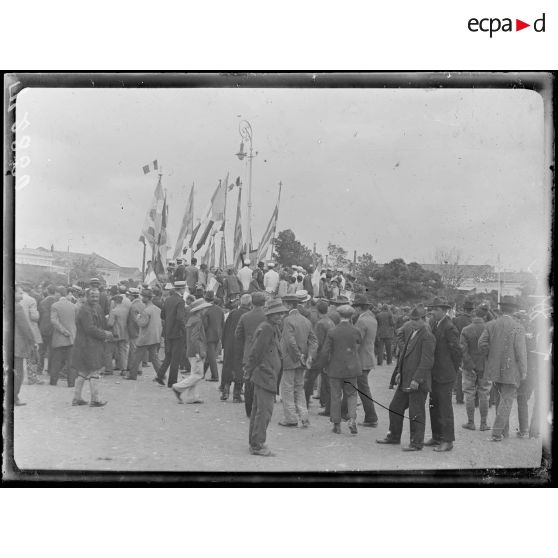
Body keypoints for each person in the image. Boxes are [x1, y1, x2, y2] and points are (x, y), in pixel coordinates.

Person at [376, 305, 435, 450]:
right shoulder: (412, 332)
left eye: (416, 319)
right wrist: (399, 372)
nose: (413, 322)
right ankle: (394, 436)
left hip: (416, 382)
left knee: (416, 413)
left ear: (424, 319)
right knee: (395, 407)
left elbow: (427, 361)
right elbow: (404, 356)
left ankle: (416, 443)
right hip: (405, 379)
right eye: (412, 319)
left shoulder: (427, 336)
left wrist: (417, 379)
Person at [479, 296, 527, 442]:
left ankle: (504, 432)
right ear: (514, 310)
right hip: (511, 370)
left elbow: (481, 344)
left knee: (500, 400)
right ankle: (497, 433)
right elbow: (520, 352)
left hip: (494, 370)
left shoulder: (491, 324)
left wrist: (491, 356)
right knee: (506, 402)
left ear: (501, 309)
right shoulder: (518, 326)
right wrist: (523, 370)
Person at [245, 298, 288, 456]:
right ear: (270, 314)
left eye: (281, 313)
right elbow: (256, 352)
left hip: (266, 374)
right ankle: (257, 445)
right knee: (264, 412)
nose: (280, 316)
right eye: (277, 314)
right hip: (265, 375)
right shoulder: (268, 328)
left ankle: (254, 442)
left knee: (259, 411)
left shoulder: (271, 327)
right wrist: (249, 370)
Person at [425, 297, 462, 452]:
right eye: (432, 309)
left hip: (445, 374)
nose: (432, 312)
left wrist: (453, 369)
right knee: (434, 406)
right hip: (435, 373)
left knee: (445, 408)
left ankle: (447, 440)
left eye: (436, 310)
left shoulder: (449, 327)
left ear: (444, 311)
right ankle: (437, 436)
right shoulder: (435, 324)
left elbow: (457, 351)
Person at [278, 295, 317, 427]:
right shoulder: (306, 320)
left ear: (288, 305)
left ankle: (290, 418)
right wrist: (309, 356)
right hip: (303, 360)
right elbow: (313, 340)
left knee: (287, 388)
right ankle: (304, 416)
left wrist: (298, 355)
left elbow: (290, 340)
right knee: (299, 388)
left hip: (290, 359)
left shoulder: (287, 320)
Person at [322, 304, 362, 435]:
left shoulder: (332, 331)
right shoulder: (355, 331)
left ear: (339, 315)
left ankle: (336, 424)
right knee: (351, 395)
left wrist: (325, 365)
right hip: (351, 369)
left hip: (335, 369)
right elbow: (358, 345)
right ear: (351, 316)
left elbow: (325, 351)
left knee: (335, 395)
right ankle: (352, 419)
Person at [71, 288, 114, 407]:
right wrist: (105, 334)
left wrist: (105, 331)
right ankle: (95, 399)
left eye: (97, 296)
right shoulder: (84, 310)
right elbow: (89, 328)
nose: (95, 299)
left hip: (93, 343)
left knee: (84, 371)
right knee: (94, 370)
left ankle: (77, 398)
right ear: (86, 296)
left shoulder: (98, 307)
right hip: (87, 345)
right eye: (92, 296)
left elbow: (100, 325)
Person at [172, 298, 212, 403]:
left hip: (191, 350)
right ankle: (178, 387)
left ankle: (192, 397)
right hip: (196, 351)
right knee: (198, 375)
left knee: (194, 374)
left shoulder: (191, 319)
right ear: (200, 310)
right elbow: (195, 338)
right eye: (204, 309)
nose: (206, 310)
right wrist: (200, 352)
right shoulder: (198, 320)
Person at [235, 292, 267, 417]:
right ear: (264, 303)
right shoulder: (267, 316)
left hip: (248, 352)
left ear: (251, 303)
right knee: (263, 381)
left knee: (249, 382)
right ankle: (261, 407)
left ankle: (249, 409)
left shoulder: (245, 316)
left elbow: (237, 335)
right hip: (265, 353)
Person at [460, 308, 491, 431]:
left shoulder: (466, 330)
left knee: (469, 394)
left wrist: (469, 365)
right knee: (484, 393)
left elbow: (463, 349)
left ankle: (471, 422)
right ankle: (483, 424)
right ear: (485, 316)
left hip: (470, 366)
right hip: (485, 366)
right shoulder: (489, 328)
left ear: (474, 315)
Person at [353, 293, 380, 427]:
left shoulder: (361, 321)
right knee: (358, 387)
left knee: (362, 389)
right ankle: (344, 411)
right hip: (368, 357)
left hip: (361, 359)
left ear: (359, 308)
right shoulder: (372, 319)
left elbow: (357, 341)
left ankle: (371, 417)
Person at [220, 293, 252, 401]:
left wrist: (224, 344)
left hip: (230, 344)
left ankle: (225, 390)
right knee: (239, 369)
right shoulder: (249, 315)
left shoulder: (233, 313)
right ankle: (236, 395)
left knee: (228, 366)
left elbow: (225, 329)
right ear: (250, 304)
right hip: (242, 345)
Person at [304, 299, 334, 410]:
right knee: (326, 381)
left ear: (317, 310)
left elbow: (317, 342)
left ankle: (305, 403)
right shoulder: (330, 321)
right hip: (328, 356)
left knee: (309, 379)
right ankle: (326, 404)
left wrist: (311, 356)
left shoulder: (320, 323)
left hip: (320, 356)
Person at [156, 281, 187, 387]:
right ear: (182, 289)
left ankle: (160, 375)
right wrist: (184, 330)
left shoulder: (168, 300)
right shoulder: (181, 301)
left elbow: (162, 315)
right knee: (176, 358)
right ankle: (172, 381)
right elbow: (180, 318)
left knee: (168, 356)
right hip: (178, 333)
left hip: (168, 332)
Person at [127, 288, 162, 380]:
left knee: (136, 356)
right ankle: (161, 374)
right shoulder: (157, 309)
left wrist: (138, 318)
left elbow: (142, 324)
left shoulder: (146, 311)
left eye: (143, 296)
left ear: (147, 298)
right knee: (154, 358)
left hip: (145, 337)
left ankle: (132, 375)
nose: (142, 298)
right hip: (155, 337)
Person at [49, 286, 78, 387]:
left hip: (59, 338)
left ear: (58, 293)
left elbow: (54, 321)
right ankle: (71, 383)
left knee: (56, 361)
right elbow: (77, 321)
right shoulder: (74, 306)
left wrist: (63, 331)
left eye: (56, 293)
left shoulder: (55, 306)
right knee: (71, 362)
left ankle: (53, 382)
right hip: (72, 338)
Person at [14, 285, 36, 406]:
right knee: (18, 372)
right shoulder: (17, 307)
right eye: (20, 293)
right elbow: (25, 328)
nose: (22, 296)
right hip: (17, 345)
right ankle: (15, 397)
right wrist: (33, 341)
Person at [452, 299, 474, 404]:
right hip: (470, 350)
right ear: (471, 310)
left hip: (458, 348)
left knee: (459, 372)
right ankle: (471, 397)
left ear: (463, 309)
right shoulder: (473, 320)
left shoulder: (456, 320)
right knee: (470, 374)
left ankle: (459, 397)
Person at [202, 291, 225, 382]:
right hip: (218, 334)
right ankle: (202, 373)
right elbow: (222, 323)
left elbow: (205, 325)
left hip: (209, 335)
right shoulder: (220, 309)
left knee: (211, 356)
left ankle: (215, 376)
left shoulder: (206, 310)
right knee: (209, 355)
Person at [37, 284, 59, 373]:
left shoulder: (42, 302)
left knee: (41, 350)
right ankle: (50, 369)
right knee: (52, 350)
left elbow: (39, 316)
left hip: (43, 328)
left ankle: (39, 369)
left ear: (48, 291)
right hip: (53, 329)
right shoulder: (57, 302)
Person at [107, 294, 130, 375]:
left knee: (109, 350)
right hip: (125, 333)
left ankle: (109, 369)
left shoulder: (114, 311)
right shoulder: (127, 310)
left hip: (115, 333)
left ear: (115, 301)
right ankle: (123, 369)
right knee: (123, 351)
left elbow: (110, 323)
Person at [126, 288, 145, 376]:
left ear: (133, 296)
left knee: (134, 351)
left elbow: (135, 320)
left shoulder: (133, 306)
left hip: (134, 330)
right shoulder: (142, 304)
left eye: (129, 295)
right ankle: (138, 368)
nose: (128, 296)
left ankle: (135, 369)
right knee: (138, 350)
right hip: (141, 331)